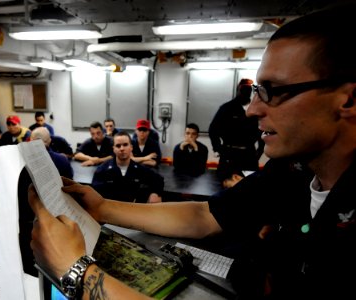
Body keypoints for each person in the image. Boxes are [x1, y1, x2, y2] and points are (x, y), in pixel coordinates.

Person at [27, 4, 356, 299]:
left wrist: (76, 271)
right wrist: (102, 208)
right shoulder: (292, 172)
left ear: (348, 100)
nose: (253, 108)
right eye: (256, 91)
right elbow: (206, 216)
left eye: (273, 91)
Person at [208, 78, 265, 180]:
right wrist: (218, 149)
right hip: (229, 154)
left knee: (249, 186)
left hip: (249, 155)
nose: (246, 91)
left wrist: (259, 152)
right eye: (244, 88)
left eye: (249, 89)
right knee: (225, 185)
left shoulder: (255, 109)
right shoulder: (227, 108)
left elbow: (262, 130)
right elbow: (213, 129)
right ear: (238, 89)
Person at [91, 131, 164, 203]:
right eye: (118, 146)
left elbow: (159, 180)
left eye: (125, 145)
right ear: (113, 149)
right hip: (110, 210)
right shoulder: (102, 170)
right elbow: (95, 194)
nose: (122, 148)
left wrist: (155, 194)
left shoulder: (139, 169)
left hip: (131, 210)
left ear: (131, 147)